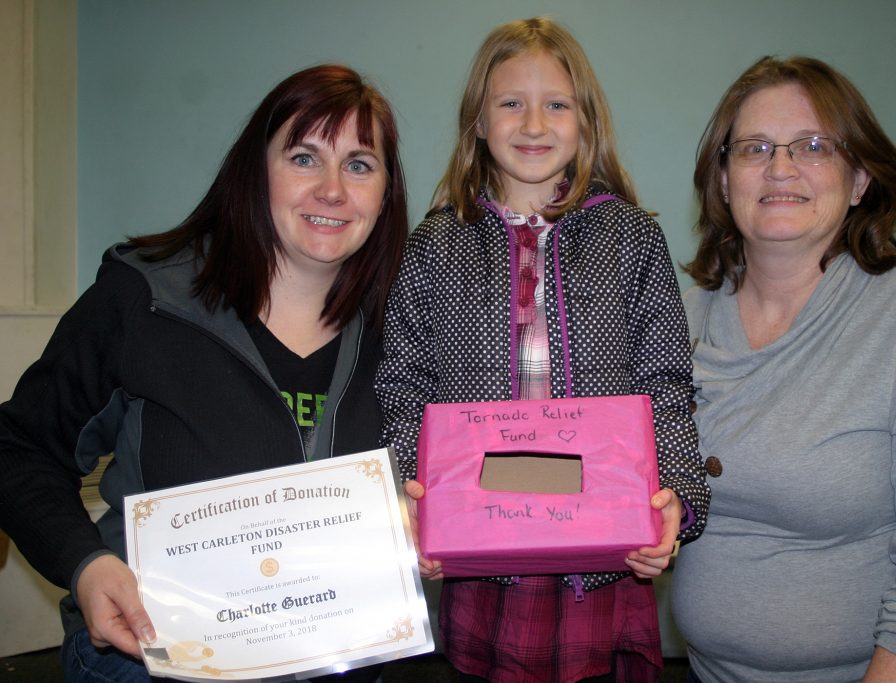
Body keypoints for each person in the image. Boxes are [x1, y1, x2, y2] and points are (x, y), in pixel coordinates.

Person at [0, 64, 408, 682]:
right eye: (303, 157)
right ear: (254, 171)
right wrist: (84, 565)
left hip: (338, 658)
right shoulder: (145, 298)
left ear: (385, 190)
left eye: (359, 164)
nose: (332, 189)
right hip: (153, 658)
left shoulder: (404, 326)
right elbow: (18, 446)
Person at [376, 17, 710, 683]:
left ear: (585, 121)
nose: (534, 122)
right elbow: (404, 386)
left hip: (602, 552)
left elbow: (665, 385)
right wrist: (419, 502)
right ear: (477, 120)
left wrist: (676, 495)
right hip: (485, 551)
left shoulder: (631, 239)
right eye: (510, 103)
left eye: (556, 103)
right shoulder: (436, 245)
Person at [669, 55, 896, 683]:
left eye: (814, 146)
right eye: (754, 148)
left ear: (859, 179)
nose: (780, 167)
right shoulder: (678, 321)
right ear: (722, 179)